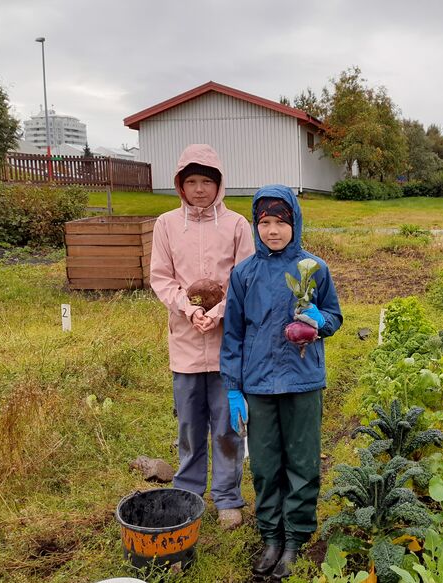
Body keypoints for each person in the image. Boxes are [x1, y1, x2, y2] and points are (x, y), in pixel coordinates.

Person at [221, 185, 343, 579]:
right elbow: (234, 334)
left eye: (281, 222)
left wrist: (317, 323)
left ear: (295, 223)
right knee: (266, 464)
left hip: (302, 380)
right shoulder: (243, 274)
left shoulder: (314, 268)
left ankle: (295, 539)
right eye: (265, 222)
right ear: (257, 226)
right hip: (257, 384)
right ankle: (271, 536)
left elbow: (334, 316)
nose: (273, 231)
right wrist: (234, 387)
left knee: (302, 461)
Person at [150, 144, 254, 530]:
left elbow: (244, 278)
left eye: (206, 181)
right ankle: (189, 493)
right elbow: (161, 278)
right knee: (191, 425)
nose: (198, 189)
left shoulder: (237, 225)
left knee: (227, 424)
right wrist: (190, 309)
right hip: (186, 342)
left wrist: (220, 310)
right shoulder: (166, 224)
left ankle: (228, 498)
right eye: (190, 181)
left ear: (219, 184)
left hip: (228, 344)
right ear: (179, 184)